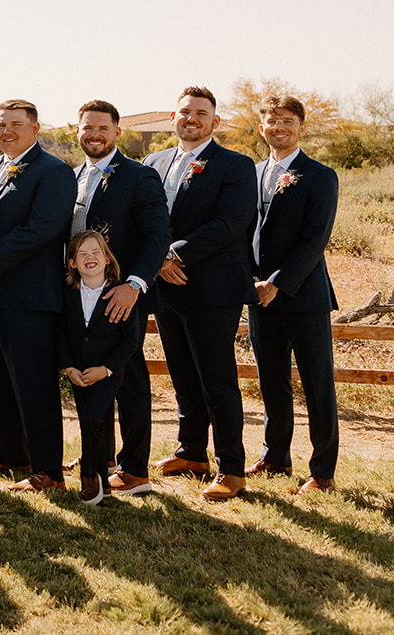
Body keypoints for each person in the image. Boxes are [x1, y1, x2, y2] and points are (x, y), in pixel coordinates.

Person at [142, 87, 257, 501]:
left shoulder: (235, 165)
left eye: (201, 113)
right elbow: (143, 215)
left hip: (211, 287)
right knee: (182, 375)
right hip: (164, 286)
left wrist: (171, 254)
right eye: (186, 112)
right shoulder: (152, 163)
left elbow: (233, 221)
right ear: (174, 116)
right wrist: (155, 262)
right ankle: (191, 452)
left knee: (217, 378)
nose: (192, 119)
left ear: (215, 121)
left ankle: (232, 468)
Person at [0, 99, 74, 493]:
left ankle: (47, 470)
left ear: (36, 128)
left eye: (17, 125)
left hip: (30, 296)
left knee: (33, 384)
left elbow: (43, 228)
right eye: (1, 124)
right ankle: (7, 455)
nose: (7, 131)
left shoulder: (53, 172)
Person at [68, 101, 171, 496]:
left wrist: (133, 285)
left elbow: (157, 235)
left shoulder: (139, 176)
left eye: (102, 128)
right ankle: (99, 458)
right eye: (87, 127)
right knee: (94, 375)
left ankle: (135, 470)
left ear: (116, 133)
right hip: (81, 294)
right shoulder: (72, 175)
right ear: (77, 130)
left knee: (128, 378)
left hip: (123, 294)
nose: (94, 134)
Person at [247, 94, 340, 494]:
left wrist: (278, 283)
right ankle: (275, 458)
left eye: (287, 120)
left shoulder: (320, 176)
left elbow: (314, 239)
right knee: (272, 381)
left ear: (301, 127)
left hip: (303, 296)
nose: (278, 127)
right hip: (256, 296)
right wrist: (249, 282)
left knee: (317, 384)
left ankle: (322, 471)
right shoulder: (247, 173)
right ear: (262, 126)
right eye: (271, 120)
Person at [58, 231, 140, 506]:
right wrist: (69, 368)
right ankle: (104, 480)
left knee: (93, 418)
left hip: (107, 373)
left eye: (95, 252)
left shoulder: (119, 293)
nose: (89, 257)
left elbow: (130, 341)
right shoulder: (67, 294)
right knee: (91, 421)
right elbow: (60, 334)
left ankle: (89, 476)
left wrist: (105, 369)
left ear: (106, 259)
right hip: (78, 373)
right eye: (82, 254)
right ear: (72, 263)